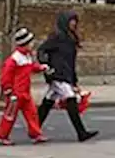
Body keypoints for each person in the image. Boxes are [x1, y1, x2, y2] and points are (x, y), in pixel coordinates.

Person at [37, 10, 98, 142]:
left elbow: (71, 62)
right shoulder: (56, 37)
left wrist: (74, 81)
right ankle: (81, 132)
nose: (74, 23)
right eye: (71, 21)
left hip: (65, 74)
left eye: (75, 21)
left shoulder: (70, 39)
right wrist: (46, 66)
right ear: (65, 22)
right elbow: (41, 50)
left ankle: (34, 128)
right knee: (70, 99)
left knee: (48, 102)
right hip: (58, 74)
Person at [0, 27, 47, 145]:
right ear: (25, 44)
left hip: (24, 92)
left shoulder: (26, 56)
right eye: (31, 42)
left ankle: (36, 134)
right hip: (16, 93)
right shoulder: (15, 59)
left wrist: (41, 68)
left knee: (32, 113)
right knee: (10, 115)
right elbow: (6, 76)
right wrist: (8, 90)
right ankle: (1, 136)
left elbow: (32, 67)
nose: (33, 44)